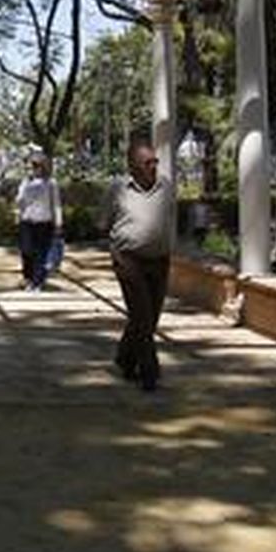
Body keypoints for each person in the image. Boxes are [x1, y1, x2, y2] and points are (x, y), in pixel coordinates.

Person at [104, 138, 175, 391]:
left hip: (160, 260)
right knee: (142, 316)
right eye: (147, 163)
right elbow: (104, 222)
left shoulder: (166, 187)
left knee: (148, 317)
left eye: (155, 161)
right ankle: (150, 373)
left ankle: (124, 357)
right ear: (132, 166)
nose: (153, 166)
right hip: (128, 259)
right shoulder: (117, 189)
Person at [14, 153, 63, 291]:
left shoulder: (51, 183)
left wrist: (58, 223)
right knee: (26, 251)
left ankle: (38, 281)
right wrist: (17, 214)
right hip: (27, 221)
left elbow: (56, 204)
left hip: (44, 222)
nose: (31, 169)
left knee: (41, 253)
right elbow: (19, 201)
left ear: (42, 167)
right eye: (30, 166)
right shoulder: (25, 182)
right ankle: (28, 278)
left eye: (34, 166)